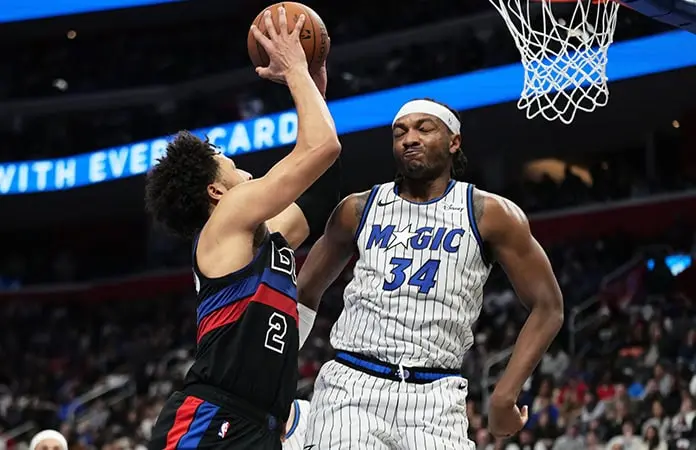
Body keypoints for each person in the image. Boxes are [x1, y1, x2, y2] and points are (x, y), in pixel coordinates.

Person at [296, 98, 564, 448]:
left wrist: (504, 395)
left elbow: (548, 306)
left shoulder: (490, 213)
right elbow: (303, 293)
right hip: (351, 387)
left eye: (424, 129)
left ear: (454, 142)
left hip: (437, 398)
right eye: (400, 132)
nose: (409, 138)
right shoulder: (357, 209)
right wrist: (276, 368)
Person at [144, 7, 340, 449]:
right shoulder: (227, 217)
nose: (241, 166)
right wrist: (295, 70)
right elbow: (322, 146)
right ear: (216, 191)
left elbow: (320, 189)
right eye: (226, 160)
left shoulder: (259, 235)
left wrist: (314, 86)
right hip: (211, 418)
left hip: (258, 424)